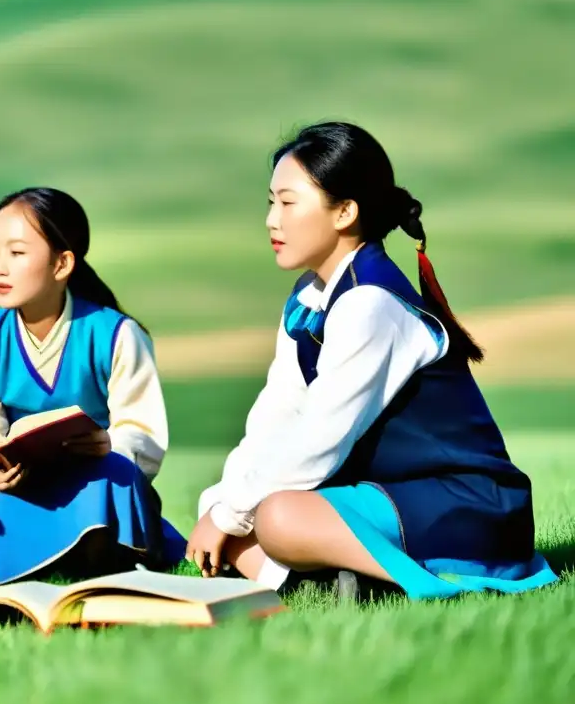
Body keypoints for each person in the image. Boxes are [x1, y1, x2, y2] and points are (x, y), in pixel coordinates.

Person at [186, 121, 558, 600]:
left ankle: (418, 587)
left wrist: (231, 518)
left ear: (344, 212)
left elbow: (317, 441)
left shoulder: (370, 304)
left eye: (288, 202)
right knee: (218, 500)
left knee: (276, 516)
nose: (271, 220)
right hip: (386, 497)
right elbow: (275, 420)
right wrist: (224, 509)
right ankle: (335, 585)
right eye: (270, 202)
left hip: (465, 505)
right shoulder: (308, 299)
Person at [0, 187, 186, 586]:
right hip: (15, 474)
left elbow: (142, 432)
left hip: (89, 470)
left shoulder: (116, 334)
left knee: (115, 474)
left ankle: (74, 551)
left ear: (62, 263)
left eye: (16, 253)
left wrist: (109, 444)